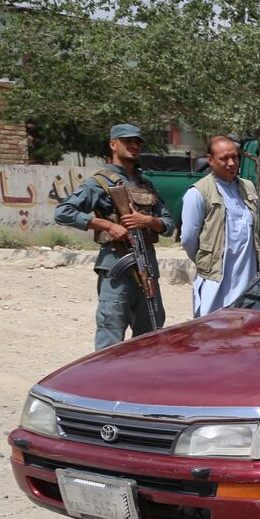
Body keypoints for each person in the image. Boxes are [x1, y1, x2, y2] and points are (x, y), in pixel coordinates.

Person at [54, 123, 175, 350]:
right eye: (127, 141)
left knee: (151, 334)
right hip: (116, 269)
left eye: (137, 142)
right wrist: (107, 225)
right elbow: (63, 212)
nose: (134, 146)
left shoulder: (146, 185)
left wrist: (149, 221)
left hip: (147, 269)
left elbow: (169, 224)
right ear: (113, 144)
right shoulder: (99, 183)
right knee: (111, 335)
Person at [180, 135, 260, 317]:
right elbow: (189, 239)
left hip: (247, 282)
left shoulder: (248, 188)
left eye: (235, 157)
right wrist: (208, 260)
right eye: (224, 158)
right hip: (215, 283)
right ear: (210, 160)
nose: (231, 163)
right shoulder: (198, 193)